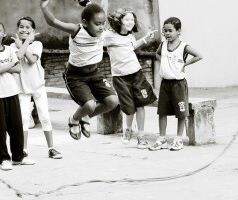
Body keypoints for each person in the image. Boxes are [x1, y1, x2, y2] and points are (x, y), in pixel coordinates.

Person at [40, 0, 119, 140]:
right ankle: (74, 119)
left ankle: (86, 117)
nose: (101, 28)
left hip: (95, 73)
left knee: (112, 101)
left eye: (103, 23)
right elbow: (53, 21)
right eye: (97, 24)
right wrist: (43, 5)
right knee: (90, 105)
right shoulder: (76, 30)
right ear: (84, 22)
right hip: (75, 76)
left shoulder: (101, 29)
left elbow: (104, 6)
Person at [0, 21, 35, 170]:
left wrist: (2, 66)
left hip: (12, 91)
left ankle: (18, 157)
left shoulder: (8, 49)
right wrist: (10, 64)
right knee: (1, 128)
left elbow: (18, 69)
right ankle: (4, 159)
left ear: (4, 34)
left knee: (17, 126)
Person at [10, 16, 62, 159]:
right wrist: (22, 45)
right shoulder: (11, 47)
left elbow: (32, 60)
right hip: (21, 88)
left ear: (33, 30)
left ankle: (51, 148)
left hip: (38, 86)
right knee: (24, 119)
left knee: (44, 116)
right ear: (17, 29)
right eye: (21, 27)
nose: (24, 29)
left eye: (28, 27)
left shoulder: (37, 44)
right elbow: (19, 57)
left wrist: (24, 44)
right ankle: (24, 150)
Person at [105, 8, 157, 149]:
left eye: (132, 20)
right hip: (120, 77)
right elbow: (96, 37)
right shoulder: (108, 35)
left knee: (140, 104)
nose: (130, 22)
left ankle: (141, 136)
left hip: (136, 74)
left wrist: (146, 38)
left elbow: (133, 46)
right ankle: (127, 130)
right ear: (119, 21)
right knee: (129, 108)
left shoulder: (130, 36)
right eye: (127, 19)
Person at [149, 17, 202, 151]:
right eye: (165, 31)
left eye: (170, 31)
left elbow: (199, 55)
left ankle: (178, 139)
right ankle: (161, 139)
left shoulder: (184, 46)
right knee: (162, 112)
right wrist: (164, 63)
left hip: (178, 84)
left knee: (181, 112)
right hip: (165, 84)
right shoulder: (163, 45)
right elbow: (157, 54)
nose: (167, 33)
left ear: (178, 31)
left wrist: (185, 64)